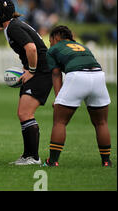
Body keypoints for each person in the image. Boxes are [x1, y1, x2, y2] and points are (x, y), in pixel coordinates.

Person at [0, 0, 52, 165]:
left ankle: (33, 157)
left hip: (40, 72)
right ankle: (28, 156)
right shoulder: (13, 25)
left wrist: (31, 70)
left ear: (2, 15)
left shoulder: (13, 27)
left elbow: (31, 48)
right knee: (23, 113)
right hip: (38, 71)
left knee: (25, 113)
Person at [43, 25, 112, 167]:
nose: (51, 44)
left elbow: (56, 74)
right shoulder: (81, 46)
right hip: (98, 76)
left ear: (56, 37)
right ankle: (106, 161)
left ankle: (52, 161)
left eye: (51, 41)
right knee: (101, 123)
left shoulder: (53, 49)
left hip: (77, 76)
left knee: (60, 122)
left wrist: (58, 98)